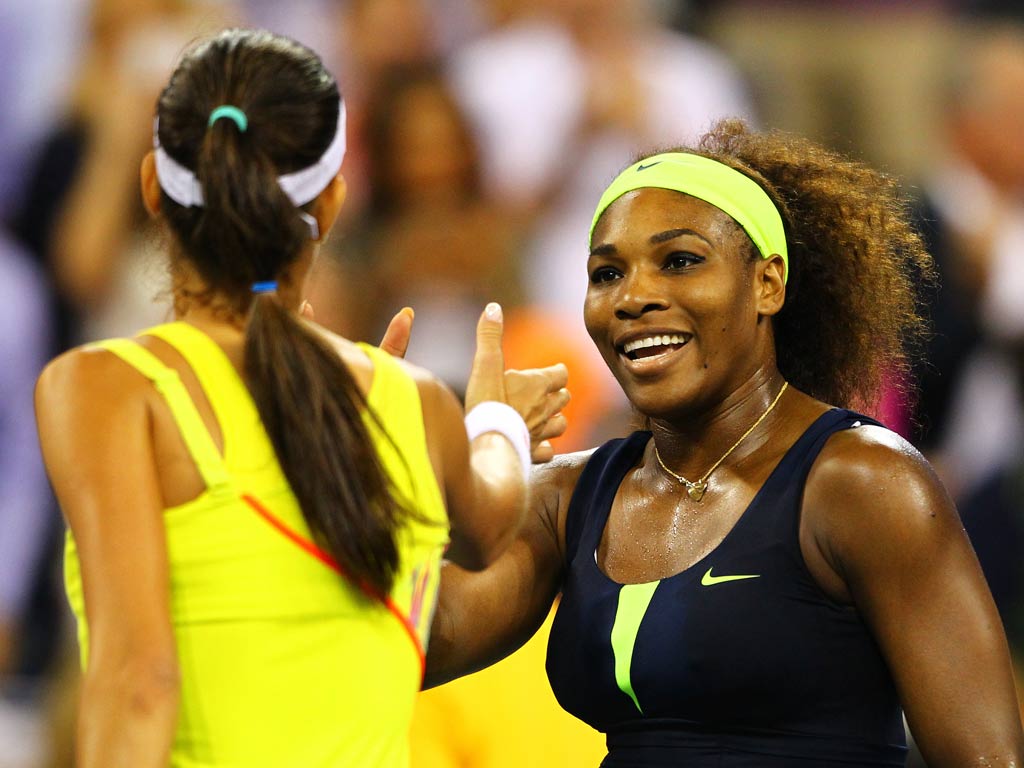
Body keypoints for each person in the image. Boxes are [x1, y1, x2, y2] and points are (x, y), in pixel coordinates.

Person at [34, 28, 569, 768]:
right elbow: (496, 513)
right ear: (333, 202)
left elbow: (139, 682)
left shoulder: (105, 390)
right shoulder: (411, 404)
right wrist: (496, 422)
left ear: (153, 185)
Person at [420, 120, 1024, 766]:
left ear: (768, 283)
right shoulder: (567, 498)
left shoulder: (863, 484)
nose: (633, 297)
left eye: (679, 261)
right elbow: (419, 640)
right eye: (606, 273)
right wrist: (358, 448)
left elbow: (986, 760)